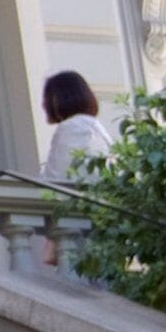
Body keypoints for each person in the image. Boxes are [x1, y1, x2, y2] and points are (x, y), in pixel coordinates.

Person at [39, 70, 114, 269]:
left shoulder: (71, 128)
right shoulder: (96, 128)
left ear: (57, 99)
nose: (43, 105)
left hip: (79, 223)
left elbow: (58, 180)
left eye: (46, 98)